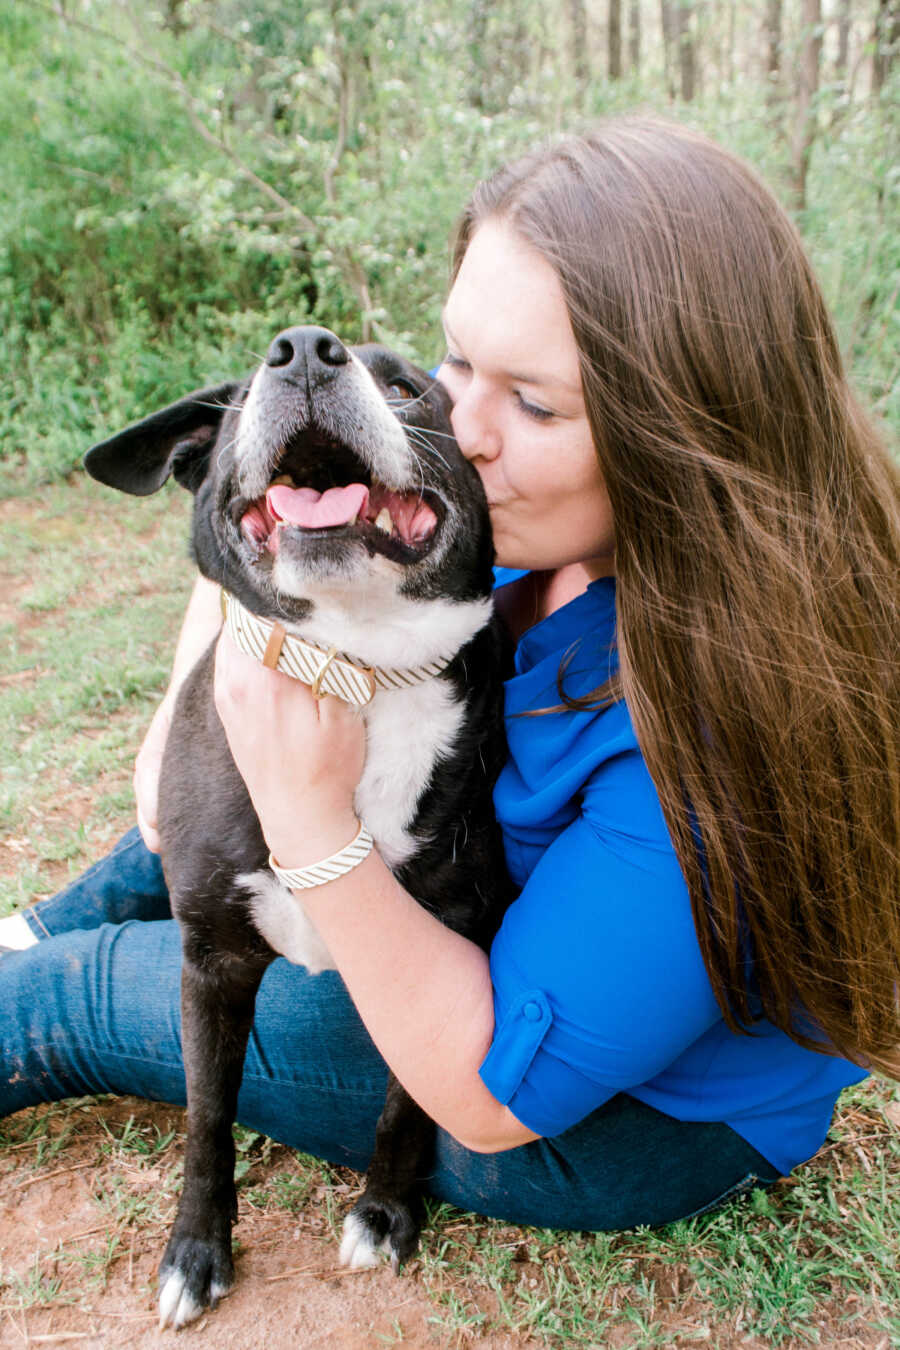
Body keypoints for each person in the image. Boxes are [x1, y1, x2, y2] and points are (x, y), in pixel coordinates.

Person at [2, 116, 898, 1233]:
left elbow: (487, 1092)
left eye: (531, 402)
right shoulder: (538, 503)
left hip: (609, 1112)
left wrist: (304, 813)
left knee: (71, 998)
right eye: (458, 358)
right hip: (467, 883)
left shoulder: (720, 739)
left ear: (680, 434)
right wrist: (200, 673)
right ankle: (59, 911)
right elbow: (291, 469)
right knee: (274, 743)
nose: (458, 426)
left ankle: (43, 960)